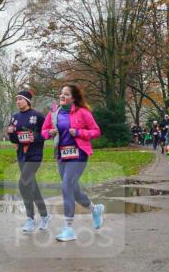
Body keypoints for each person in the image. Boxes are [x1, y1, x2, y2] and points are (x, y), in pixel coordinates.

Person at [40, 84, 104, 242]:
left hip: (79, 154)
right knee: (73, 190)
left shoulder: (83, 112)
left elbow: (96, 131)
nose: (62, 96)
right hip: (62, 155)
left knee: (66, 186)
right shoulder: (54, 113)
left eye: (66, 94)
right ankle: (94, 209)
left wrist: (80, 132)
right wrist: (49, 133)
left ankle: (68, 228)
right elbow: (43, 131)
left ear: (73, 98)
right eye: (61, 93)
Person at [6, 89, 50, 233]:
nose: (18, 101)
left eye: (20, 99)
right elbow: (14, 139)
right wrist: (10, 134)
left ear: (28, 101)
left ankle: (30, 218)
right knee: (32, 186)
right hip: (21, 155)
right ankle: (45, 215)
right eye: (16, 99)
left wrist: (35, 138)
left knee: (23, 183)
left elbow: (45, 134)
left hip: (34, 155)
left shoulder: (37, 116)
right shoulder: (15, 117)